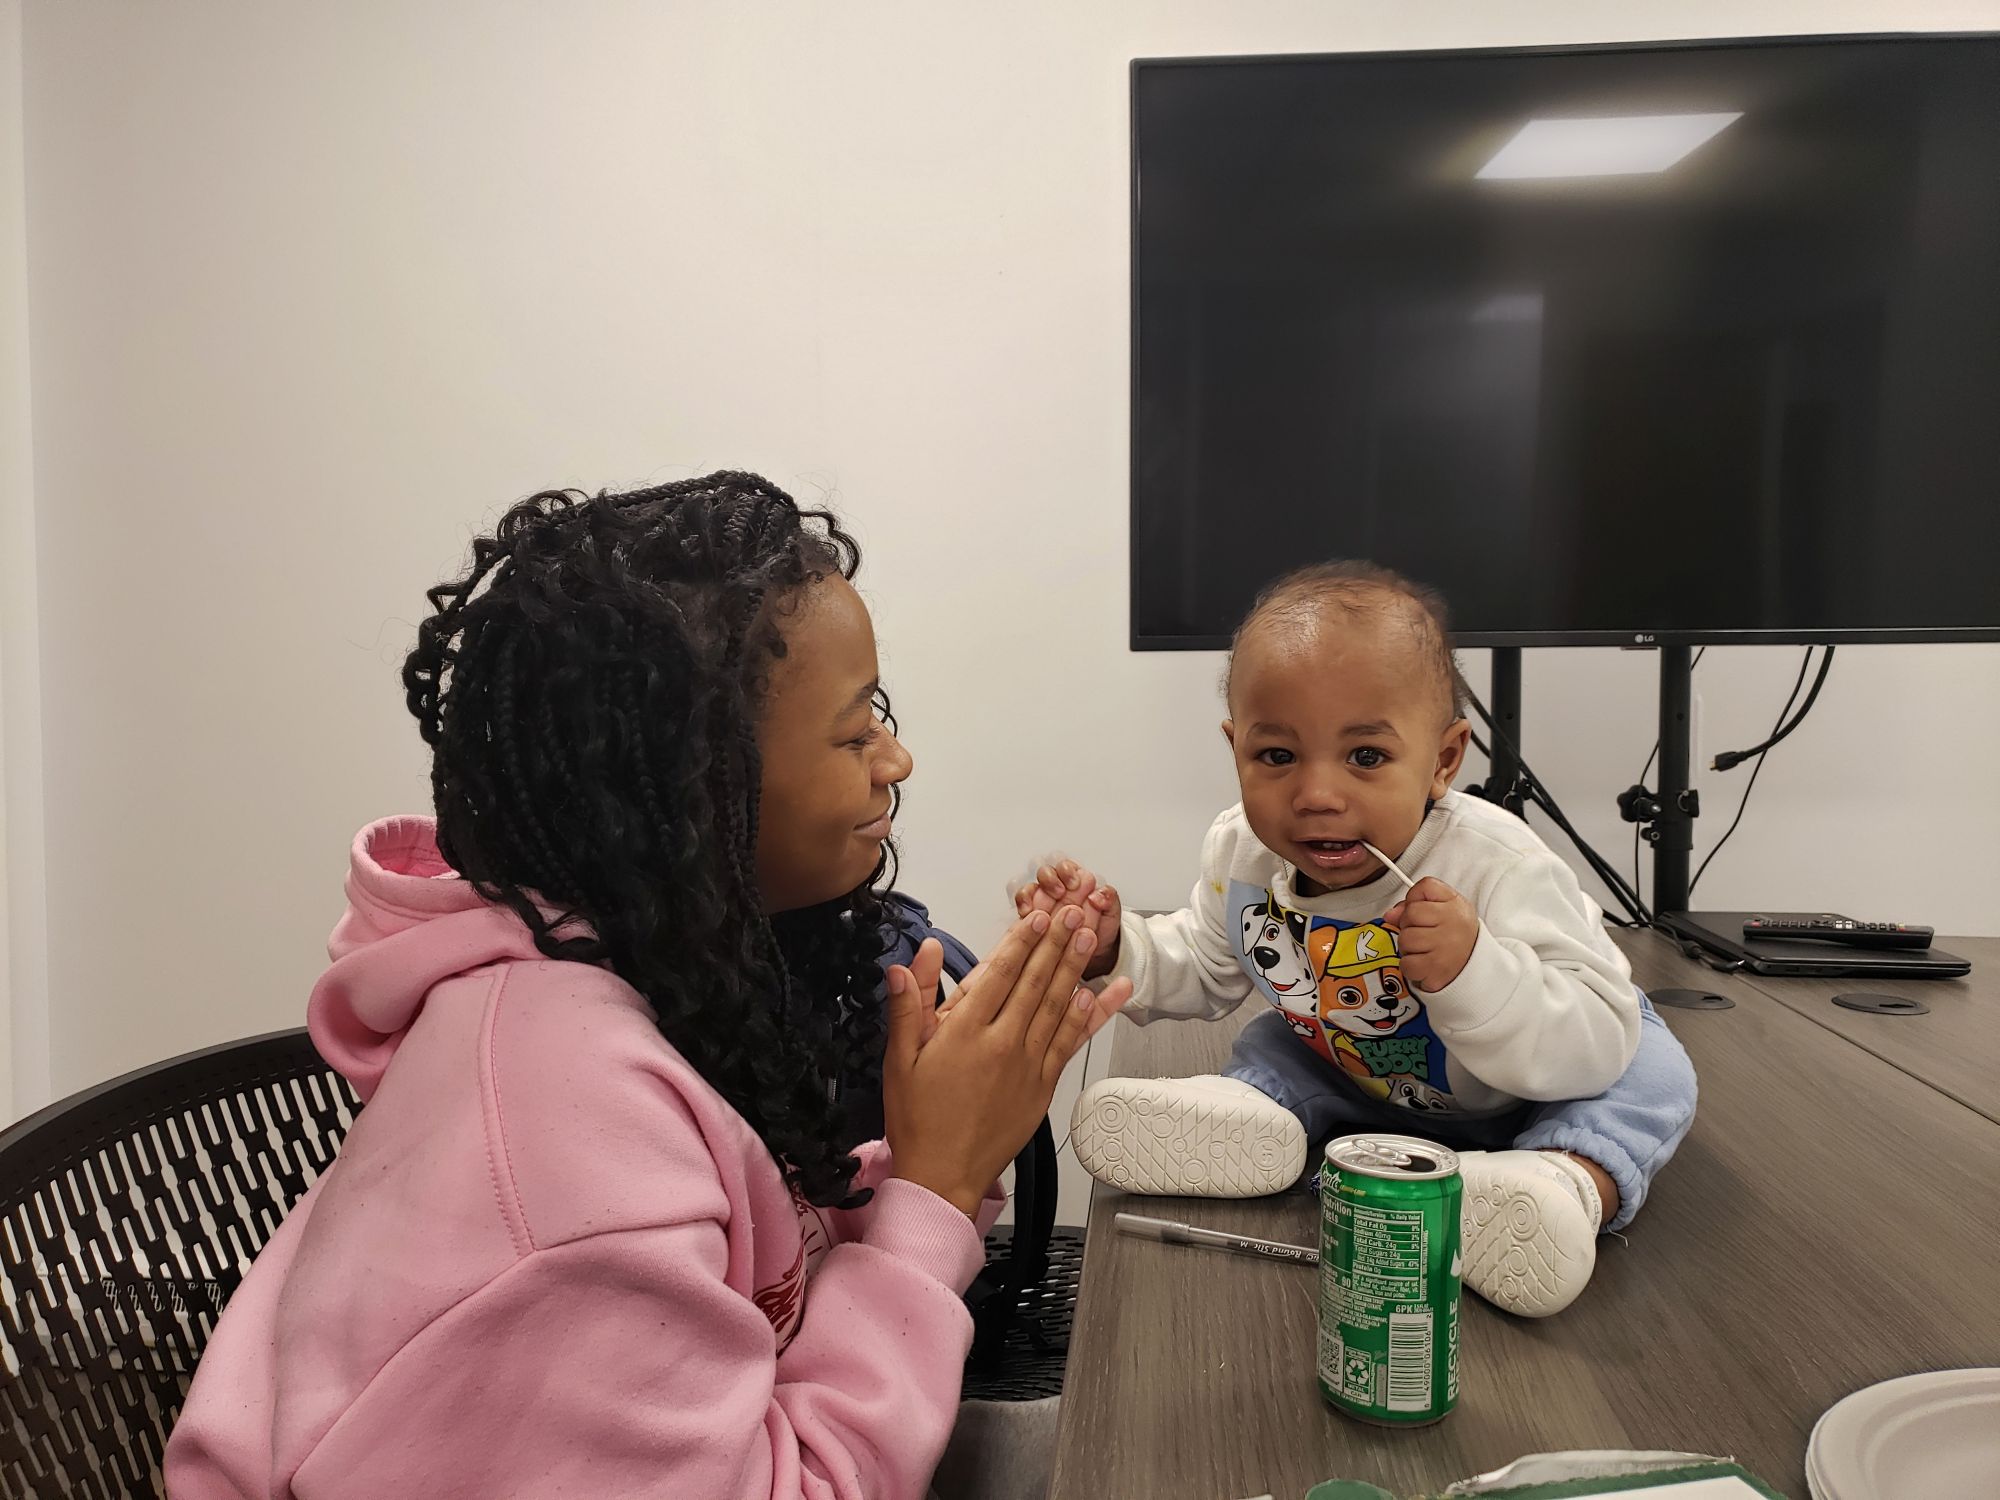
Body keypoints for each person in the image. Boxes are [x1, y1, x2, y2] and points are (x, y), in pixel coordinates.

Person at [164, 473, 1130, 1500]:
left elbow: (760, 1276)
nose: (896, 758)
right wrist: (929, 1194)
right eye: (854, 735)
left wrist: (931, 1156)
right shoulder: (567, 1147)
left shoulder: (644, 973)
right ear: (687, 793)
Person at [1027, 562, 1697, 1317]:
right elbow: (1209, 961)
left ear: (1443, 761)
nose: (1316, 795)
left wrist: (1478, 970)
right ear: (1236, 746)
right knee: (1275, 1036)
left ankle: (1560, 1181)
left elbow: (1593, 1035)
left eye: (1367, 757)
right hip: (1365, 1075)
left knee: (1652, 1073)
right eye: (1276, 756)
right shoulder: (1243, 854)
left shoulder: (1493, 863)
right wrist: (1119, 951)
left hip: (1534, 1086)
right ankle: (1254, 1115)